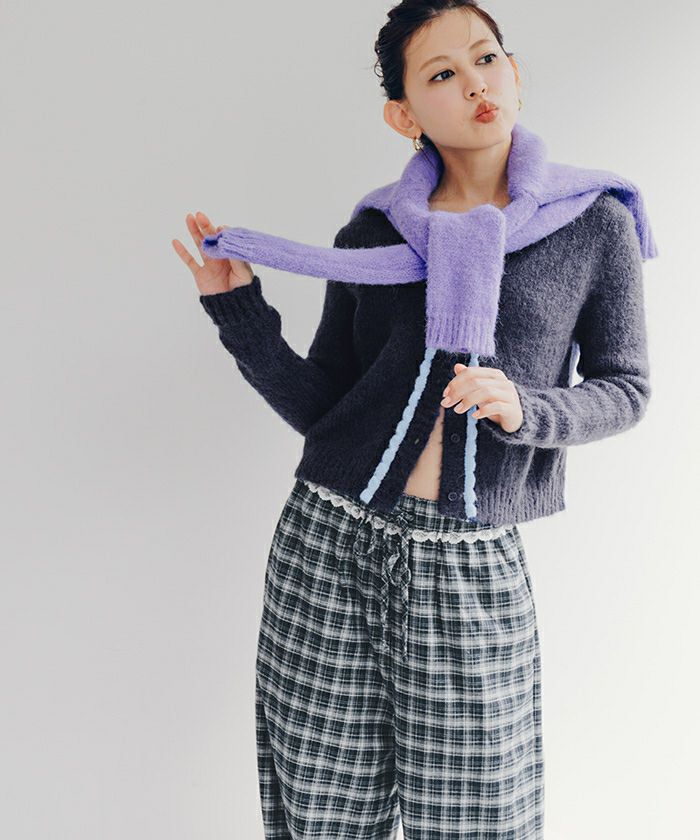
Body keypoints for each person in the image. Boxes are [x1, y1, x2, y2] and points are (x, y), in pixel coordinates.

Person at [172, 2, 653, 837]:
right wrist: (239, 313)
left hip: (470, 565)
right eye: (442, 74)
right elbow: (324, 407)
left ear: (514, 71)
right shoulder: (371, 233)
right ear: (404, 115)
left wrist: (527, 408)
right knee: (324, 815)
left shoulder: (592, 224)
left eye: (487, 59)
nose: (476, 84)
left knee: (479, 819)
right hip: (327, 546)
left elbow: (626, 387)